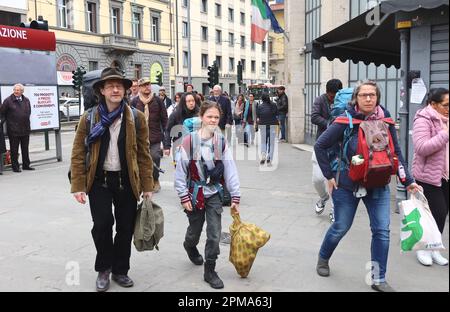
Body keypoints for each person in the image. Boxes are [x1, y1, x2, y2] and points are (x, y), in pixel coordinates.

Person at [314, 80, 421, 292]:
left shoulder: (386, 120)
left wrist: (407, 180)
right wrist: (329, 175)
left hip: (378, 183)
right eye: (364, 95)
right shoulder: (345, 120)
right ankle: (323, 258)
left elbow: (396, 153)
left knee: (381, 231)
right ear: (356, 98)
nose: (369, 99)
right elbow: (320, 145)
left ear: (378, 97)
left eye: (372, 95)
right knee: (340, 227)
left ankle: (378, 278)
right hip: (347, 184)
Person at [70, 67, 154, 292]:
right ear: (102, 90)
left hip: (127, 181)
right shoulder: (89, 118)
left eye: (120, 85)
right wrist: (77, 185)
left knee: (125, 227)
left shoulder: (135, 118)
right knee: (102, 225)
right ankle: (104, 268)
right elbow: (78, 152)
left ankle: (120, 269)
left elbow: (144, 154)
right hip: (99, 181)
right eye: (110, 85)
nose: (116, 89)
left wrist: (148, 186)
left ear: (126, 90)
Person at [174, 100, 241, 289]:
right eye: (209, 116)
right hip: (195, 194)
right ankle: (190, 246)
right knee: (194, 231)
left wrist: (235, 196)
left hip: (214, 195)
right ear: (202, 117)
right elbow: (180, 172)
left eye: (216, 117)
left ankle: (210, 270)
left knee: (214, 234)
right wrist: (183, 196)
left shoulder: (220, 141)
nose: (213, 120)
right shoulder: (189, 141)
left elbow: (230, 169)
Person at [412, 88, 449, 266]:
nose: (449, 108)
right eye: (446, 105)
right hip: (428, 176)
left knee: (442, 215)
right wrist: (444, 134)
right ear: (433, 104)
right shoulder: (423, 120)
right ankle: (423, 249)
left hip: (446, 175)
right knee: (433, 214)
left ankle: (434, 248)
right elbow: (421, 148)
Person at [311, 79, 343, 220]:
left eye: (335, 96)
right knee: (318, 179)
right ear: (327, 93)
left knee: (337, 180)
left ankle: (334, 209)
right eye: (331, 96)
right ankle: (323, 197)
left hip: (339, 147)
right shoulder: (320, 100)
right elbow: (314, 117)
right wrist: (330, 125)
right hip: (322, 144)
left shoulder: (344, 102)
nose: (333, 99)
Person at [131, 78, 168, 193]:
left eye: (148, 84)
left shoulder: (158, 101)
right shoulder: (134, 102)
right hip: (139, 138)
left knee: (155, 157)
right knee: (140, 160)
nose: (147, 87)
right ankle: (144, 181)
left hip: (155, 137)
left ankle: (155, 179)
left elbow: (165, 120)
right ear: (140, 87)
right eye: (144, 85)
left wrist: (166, 141)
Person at [0, 83, 34, 172]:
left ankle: (26, 165)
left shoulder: (26, 100)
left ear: (22, 91)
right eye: (15, 89)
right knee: (14, 149)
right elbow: (2, 114)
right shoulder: (8, 101)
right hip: (13, 129)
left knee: (25, 148)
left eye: (18, 90)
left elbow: (28, 112)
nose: (15, 91)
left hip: (25, 128)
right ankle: (15, 167)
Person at [164, 92, 201, 161]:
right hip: (179, 146)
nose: (191, 103)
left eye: (193, 101)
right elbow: (168, 130)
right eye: (188, 101)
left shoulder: (199, 114)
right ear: (184, 103)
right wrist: (167, 146)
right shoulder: (176, 114)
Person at [256, 93, 278, 166]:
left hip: (263, 126)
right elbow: (276, 114)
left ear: (262, 99)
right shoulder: (274, 105)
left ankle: (263, 155)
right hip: (272, 125)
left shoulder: (260, 106)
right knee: (271, 143)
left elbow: (258, 116)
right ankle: (269, 158)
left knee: (263, 142)